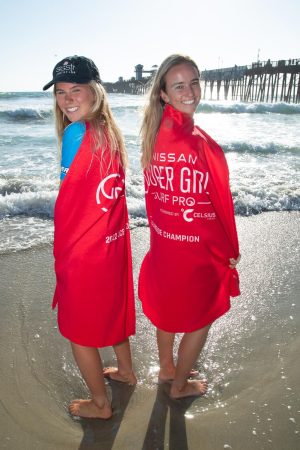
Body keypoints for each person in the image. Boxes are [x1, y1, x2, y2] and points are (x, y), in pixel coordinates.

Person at [138, 54, 241, 399]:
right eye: (179, 85)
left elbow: (155, 196)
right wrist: (231, 251)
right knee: (202, 317)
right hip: (196, 251)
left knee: (167, 311)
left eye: (194, 82)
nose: (190, 90)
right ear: (164, 94)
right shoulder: (201, 143)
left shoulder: (151, 137)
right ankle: (179, 387)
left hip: (165, 246)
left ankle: (167, 367)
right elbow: (221, 206)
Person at [43, 55, 136, 419]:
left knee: (79, 333)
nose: (67, 99)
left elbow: (69, 206)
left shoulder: (75, 134)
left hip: (85, 252)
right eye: (61, 92)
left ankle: (100, 405)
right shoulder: (107, 131)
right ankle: (126, 372)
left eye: (75, 90)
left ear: (94, 91)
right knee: (112, 313)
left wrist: (64, 258)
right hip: (111, 246)